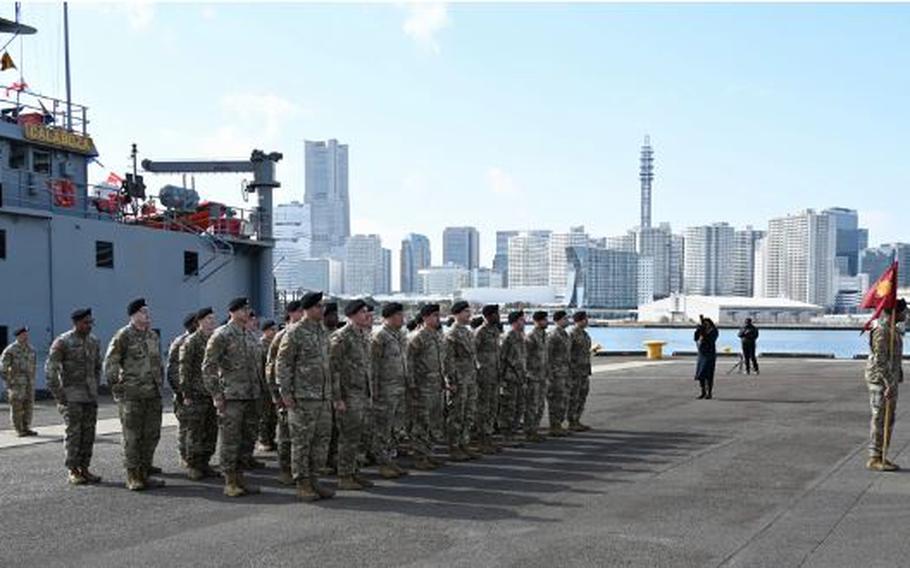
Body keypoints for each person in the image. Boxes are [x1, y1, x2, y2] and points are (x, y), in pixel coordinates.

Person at [276, 291, 339, 502]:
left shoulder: (322, 332)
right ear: (308, 309)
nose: (322, 310)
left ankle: (315, 480)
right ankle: (302, 483)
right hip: (303, 398)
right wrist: (285, 393)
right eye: (318, 307)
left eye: (322, 307)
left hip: (322, 397)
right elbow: (282, 364)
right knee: (302, 442)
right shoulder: (294, 332)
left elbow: (328, 366)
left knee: (321, 441)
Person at [202, 297, 263, 497]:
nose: (247, 313)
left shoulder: (252, 335)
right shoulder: (222, 335)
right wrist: (216, 395)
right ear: (232, 312)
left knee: (248, 439)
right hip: (232, 397)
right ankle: (229, 481)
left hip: (252, 395)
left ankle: (241, 477)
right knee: (231, 440)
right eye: (243, 310)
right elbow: (209, 366)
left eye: (248, 309)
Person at [104, 298, 166, 491]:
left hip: (153, 395)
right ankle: (133, 476)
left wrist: (160, 387)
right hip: (132, 395)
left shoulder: (153, 336)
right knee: (132, 437)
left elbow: (159, 365)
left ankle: (145, 473)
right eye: (142, 311)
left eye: (148, 311)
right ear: (133, 315)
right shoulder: (123, 335)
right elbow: (111, 363)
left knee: (151, 435)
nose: (147, 315)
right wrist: (117, 389)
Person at [45, 309, 102, 485]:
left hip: (89, 396)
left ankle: (85, 468)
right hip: (71, 396)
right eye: (86, 322)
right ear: (76, 323)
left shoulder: (94, 341)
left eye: (91, 322)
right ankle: (73, 469)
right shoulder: (63, 341)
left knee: (88, 434)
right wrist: (59, 394)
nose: (89, 325)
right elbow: (51, 370)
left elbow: (98, 367)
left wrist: (95, 386)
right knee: (74, 434)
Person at [330, 299, 375, 491]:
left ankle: (355, 471)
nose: (367, 315)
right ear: (352, 315)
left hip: (362, 393)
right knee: (348, 437)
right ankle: (344, 475)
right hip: (348, 395)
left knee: (360, 436)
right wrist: (337, 398)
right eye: (363, 312)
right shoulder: (341, 337)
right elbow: (333, 369)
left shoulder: (363, 335)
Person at [864, 298, 906, 472]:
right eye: (904, 311)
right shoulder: (882, 330)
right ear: (895, 312)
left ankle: (882, 455)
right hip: (880, 381)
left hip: (890, 380)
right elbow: (880, 360)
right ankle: (874, 457)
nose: (906, 314)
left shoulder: (892, 330)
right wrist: (888, 382)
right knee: (880, 417)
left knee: (888, 419)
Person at [265, 301, 303, 485]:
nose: (303, 314)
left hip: (303, 394)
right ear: (291, 314)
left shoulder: (306, 333)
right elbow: (272, 368)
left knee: (300, 437)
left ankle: (299, 470)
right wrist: (277, 395)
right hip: (286, 395)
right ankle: (285, 470)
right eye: (299, 311)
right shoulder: (282, 336)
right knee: (286, 435)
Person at [179, 307, 219, 481]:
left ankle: (205, 462)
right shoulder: (192, 341)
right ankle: (194, 465)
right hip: (196, 394)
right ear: (199, 322)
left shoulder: (215, 340)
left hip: (212, 393)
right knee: (195, 431)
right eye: (208, 319)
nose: (212, 322)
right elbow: (184, 368)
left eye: (213, 318)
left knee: (211, 431)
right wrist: (186, 393)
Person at [371, 302, 410, 479]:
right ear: (390, 317)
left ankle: (391, 460)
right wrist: (374, 391)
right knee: (383, 428)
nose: (403, 318)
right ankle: (383, 463)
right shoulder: (380, 336)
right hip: (385, 390)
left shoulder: (400, 335)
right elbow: (373, 366)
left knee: (396, 428)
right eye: (400, 315)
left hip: (399, 388)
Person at [406, 304, 445, 470]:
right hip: (422, 387)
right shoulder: (417, 337)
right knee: (421, 423)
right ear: (425, 318)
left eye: (438, 315)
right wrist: (413, 385)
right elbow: (409, 362)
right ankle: (420, 456)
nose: (438, 319)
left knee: (432, 422)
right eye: (435, 316)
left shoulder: (436, 336)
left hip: (435, 385)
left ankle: (428, 454)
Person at [444, 300, 481, 461]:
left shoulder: (467, 332)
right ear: (457, 314)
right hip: (459, 380)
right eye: (466, 311)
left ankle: (464, 443)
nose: (469, 314)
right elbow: (449, 360)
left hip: (470, 378)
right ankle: (454, 447)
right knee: (457, 415)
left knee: (468, 413)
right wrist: (452, 381)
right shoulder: (452, 334)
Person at [165, 312, 198, 467]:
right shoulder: (180, 342)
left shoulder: (200, 340)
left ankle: (196, 458)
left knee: (196, 428)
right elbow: (172, 370)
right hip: (184, 393)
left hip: (198, 392)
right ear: (192, 324)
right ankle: (184, 456)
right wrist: (180, 391)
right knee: (185, 427)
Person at [473, 304, 501, 454]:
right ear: (489, 316)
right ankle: (481, 440)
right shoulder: (480, 332)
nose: (498, 316)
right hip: (484, 376)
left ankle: (489, 438)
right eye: (496, 314)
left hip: (495, 375)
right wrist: (478, 370)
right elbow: (473, 353)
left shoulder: (495, 331)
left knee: (492, 408)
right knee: (483, 409)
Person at [1, 326, 37, 437]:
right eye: (23, 334)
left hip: (29, 383)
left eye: (26, 334)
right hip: (16, 384)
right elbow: (3, 368)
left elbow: (33, 366)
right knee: (17, 406)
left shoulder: (31, 349)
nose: (26, 336)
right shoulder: (10, 350)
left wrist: (32, 379)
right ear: (18, 336)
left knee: (29, 406)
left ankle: (26, 427)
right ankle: (19, 429)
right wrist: (8, 383)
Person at [499, 310, 528, 445]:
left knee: (519, 406)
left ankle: (514, 433)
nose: (524, 322)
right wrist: (502, 379)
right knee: (509, 408)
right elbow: (502, 359)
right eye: (522, 320)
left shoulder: (521, 337)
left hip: (520, 378)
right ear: (515, 322)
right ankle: (506, 436)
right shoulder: (508, 337)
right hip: (509, 379)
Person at [524, 311, 549, 442]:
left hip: (542, 375)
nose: (547, 322)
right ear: (538, 321)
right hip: (533, 375)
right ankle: (529, 431)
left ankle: (535, 429)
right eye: (545, 320)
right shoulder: (531, 337)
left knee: (540, 405)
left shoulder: (544, 335)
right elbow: (525, 357)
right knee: (532, 405)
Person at [546, 310, 571, 436]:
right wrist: (550, 373)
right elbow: (547, 355)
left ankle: (559, 424)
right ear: (558, 320)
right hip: (555, 374)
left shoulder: (564, 334)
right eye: (565, 318)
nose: (567, 321)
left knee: (563, 399)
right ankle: (554, 426)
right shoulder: (553, 335)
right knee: (555, 400)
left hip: (564, 372)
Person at [567, 311, 593, 432]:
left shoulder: (584, 334)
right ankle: (571, 421)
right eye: (585, 319)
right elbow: (567, 352)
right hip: (574, 371)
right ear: (579, 320)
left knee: (582, 396)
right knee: (574, 397)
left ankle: (577, 420)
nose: (587, 321)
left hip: (584, 371)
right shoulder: (572, 334)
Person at [257, 319, 279, 453]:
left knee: (273, 414)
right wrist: (263, 385)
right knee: (265, 415)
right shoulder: (261, 345)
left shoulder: (275, 344)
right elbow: (260, 367)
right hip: (264, 386)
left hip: (274, 384)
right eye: (272, 329)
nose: (275, 332)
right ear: (265, 331)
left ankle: (271, 438)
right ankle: (263, 440)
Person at [694, 316, 719, 400]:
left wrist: (703, 331)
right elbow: (695, 338)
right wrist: (698, 330)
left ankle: (709, 393)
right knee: (701, 374)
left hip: (710, 354)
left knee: (708, 374)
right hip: (702, 354)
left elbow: (709, 339)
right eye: (704, 323)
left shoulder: (714, 331)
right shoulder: (702, 330)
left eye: (706, 323)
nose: (705, 325)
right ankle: (703, 392)